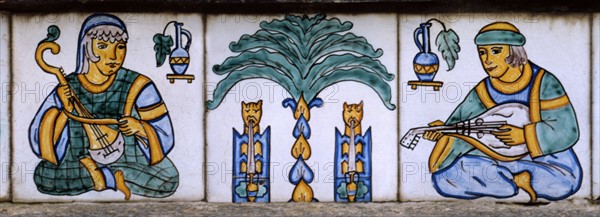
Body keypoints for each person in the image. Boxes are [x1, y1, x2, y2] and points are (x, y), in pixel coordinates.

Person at [423, 22, 581, 202]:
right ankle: (517, 181)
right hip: (496, 157)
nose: (487, 60)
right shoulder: (482, 91)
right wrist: (444, 130)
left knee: (565, 182)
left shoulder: (543, 82)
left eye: (496, 51)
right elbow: (460, 127)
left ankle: (505, 183)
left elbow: (568, 131)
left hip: (542, 160)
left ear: (514, 51)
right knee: (443, 178)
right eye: (482, 53)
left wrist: (524, 136)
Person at [29, 14, 178, 200]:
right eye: (102, 46)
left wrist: (139, 128)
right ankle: (110, 178)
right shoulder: (67, 87)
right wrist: (64, 112)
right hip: (80, 159)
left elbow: (164, 135)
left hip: (130, 159)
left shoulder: (139, 85)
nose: (114, 57)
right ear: (87, 48)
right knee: (44, 176)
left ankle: (99, 177)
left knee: (168, 179)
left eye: (120, 47)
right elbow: (41, 143)